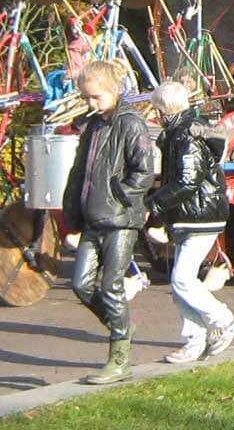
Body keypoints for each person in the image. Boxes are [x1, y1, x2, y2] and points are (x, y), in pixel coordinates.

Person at [62, 60, 154, 384]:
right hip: (92, 219)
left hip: (120, 220)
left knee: (111, 286)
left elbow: (144, 171)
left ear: (114, 91)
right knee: (81, 284)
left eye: (96, 97)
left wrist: (119, 195)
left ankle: (119, 359)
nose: (90, 104)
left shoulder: (131, 124)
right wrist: (72, 208)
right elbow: (79, 173)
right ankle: (122, 328)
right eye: (86, 97)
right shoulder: (93, 126)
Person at [145, 81, 234, 363]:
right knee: (180, 283)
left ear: (164, 110)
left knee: (182, 279)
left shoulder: (185, 135)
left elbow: (187, 181)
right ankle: (194, 340)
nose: (156, 115)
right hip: (192, 215)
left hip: (200, 213)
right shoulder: (187, 129)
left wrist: (154, 204)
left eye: (157, 110)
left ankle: (223, 320)